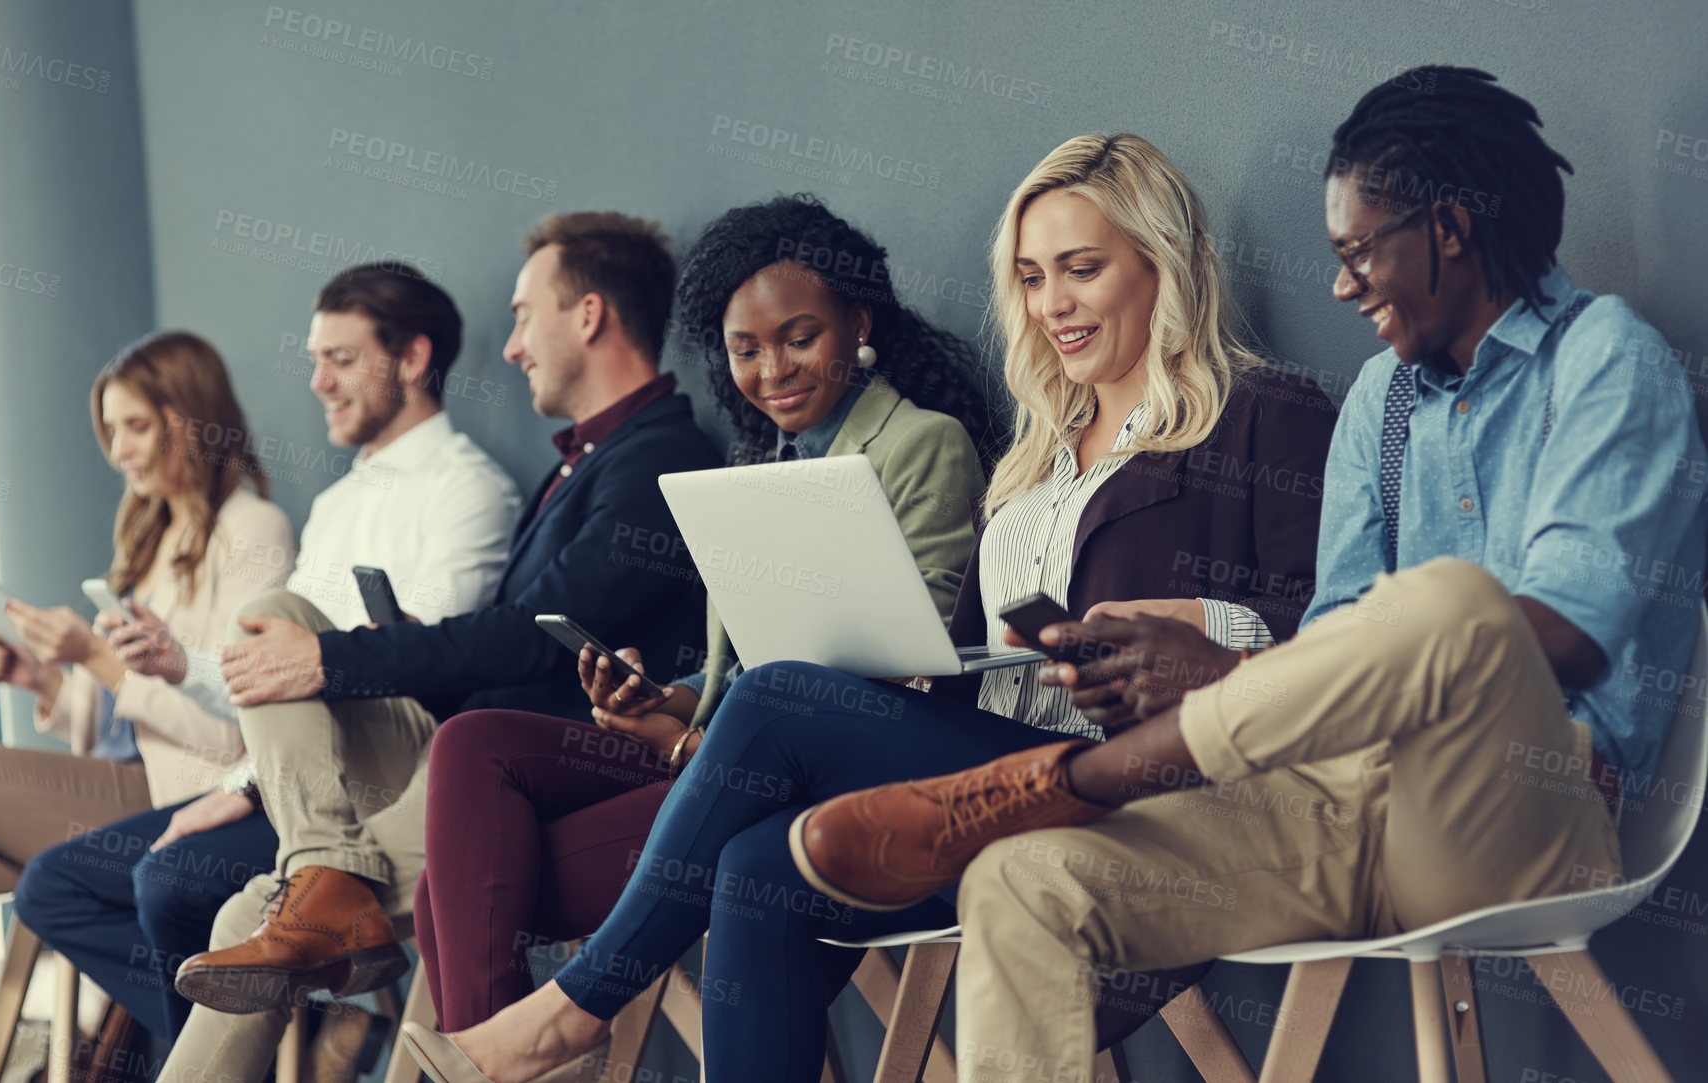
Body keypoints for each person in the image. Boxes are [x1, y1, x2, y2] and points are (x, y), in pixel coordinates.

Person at [789, 68, 1708, 1079]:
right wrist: (1213, 671)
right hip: (1343, 801)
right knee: (1023, 876)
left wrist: (1256, 673)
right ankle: (1038, 806)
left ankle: (1061, 780)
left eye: (1361, 252)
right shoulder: (1381, 401)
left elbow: (1569, 628)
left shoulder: (1606, 360)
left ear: (1449, 229)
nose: (1342, 285)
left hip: (1534, 807)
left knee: (1455, 603)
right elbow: (1338, 652)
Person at [397, 134, 1339, 1083]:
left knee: (773, 698)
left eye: (1080, 269)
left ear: (1161, 262)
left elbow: (1338, 636)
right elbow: (971, 657)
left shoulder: (1260, 414)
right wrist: (921, 669)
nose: (1052, 304)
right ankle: (557, 1024)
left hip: (1152, 781)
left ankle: (563, 1018)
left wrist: (1196, 623)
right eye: (1030, 277)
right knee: (759, 858)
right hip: (1003, 765)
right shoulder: (1032, 459)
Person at [408, 194, 992, 1045]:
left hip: (820, 766)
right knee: (473, 747)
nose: (773, 370)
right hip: (721, 746)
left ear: (858, 322)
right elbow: (744, 665)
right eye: (745, 350)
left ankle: (507, 1050)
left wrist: (698, 735)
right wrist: (670, 700)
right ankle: (501, 1050)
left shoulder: (922, 442)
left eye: (799, 338)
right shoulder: (758, 465)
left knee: (459, 886)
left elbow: (923, 643)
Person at [153, 212, 721, 1083]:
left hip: (544, 767)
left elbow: (536, 641)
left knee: (250, 917)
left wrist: (335, 659)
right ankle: (324, 869)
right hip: (470, 750)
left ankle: (320, 880)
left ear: (590, 315)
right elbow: (517, 635)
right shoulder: (583, 463)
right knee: (273, 609)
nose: (512, 345)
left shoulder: (662, 458)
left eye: (525, 315)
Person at [12, 263, 521, 1054]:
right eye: (315, 359)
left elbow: (419, 661)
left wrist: (241, 777)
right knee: (60, 881)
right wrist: (181, 674)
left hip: (389, 776)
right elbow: (274, 677)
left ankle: (294, 998)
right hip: (293, 778)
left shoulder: (468, 491)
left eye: (341, 359)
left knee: (173, 876)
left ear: (413, 361)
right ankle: (315, 1022)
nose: (317, 381)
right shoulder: (334, 505)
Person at [0, 331, 293, 1083]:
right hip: (120, 788)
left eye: (135, 425)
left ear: (187, 419)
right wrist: (42, 680)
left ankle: (263, 1039)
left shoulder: (252, 531)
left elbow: (233, 728)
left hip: (189, 798)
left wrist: (94, 657)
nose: (118, 450)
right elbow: (119, 724)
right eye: (111, 430)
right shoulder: (154, 537)